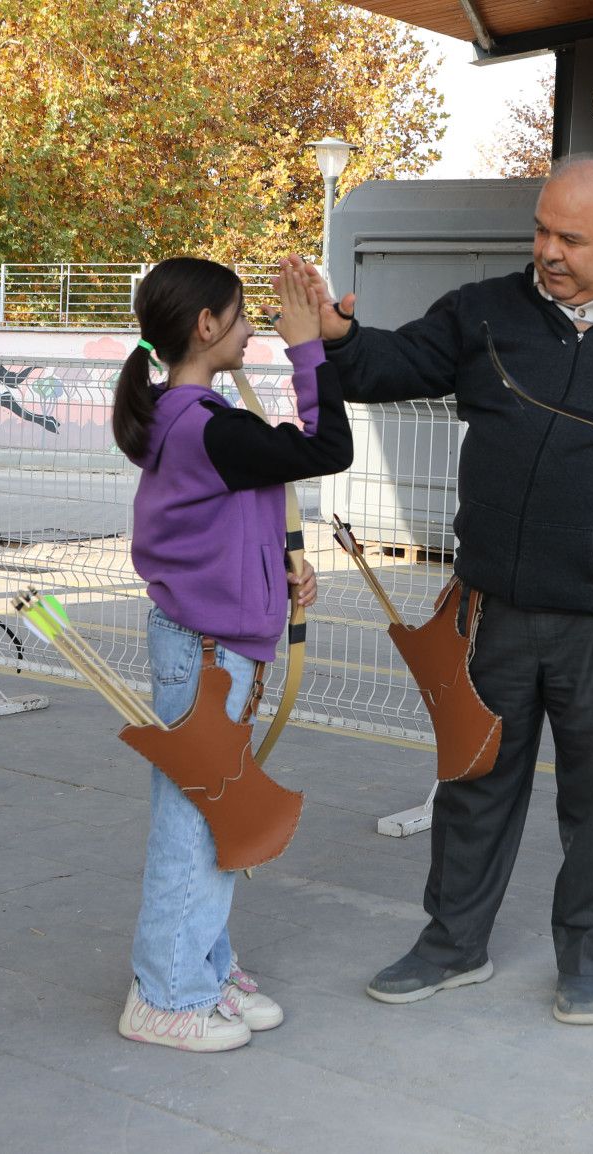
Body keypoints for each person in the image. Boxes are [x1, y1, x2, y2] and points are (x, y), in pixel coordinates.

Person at [296, 153, 593, 1026]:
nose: (547, 250)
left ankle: (590, 959)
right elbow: (388, 365)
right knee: (474, 780)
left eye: (571, 237)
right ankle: (452, 944)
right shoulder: (487, 312)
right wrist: (336, 337)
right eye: (541, 229)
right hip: (496, 606)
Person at [111, 256, 353, 1051]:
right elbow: (328, 448)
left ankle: (203, 971)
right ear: (206, 327)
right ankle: (165, 994)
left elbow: (224, 513)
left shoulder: (194, 421)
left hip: (219, 647)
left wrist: (279, 569)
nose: (255, 329)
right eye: (244, 317)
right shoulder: (207, 424)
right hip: (207, 655)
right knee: (195, 822)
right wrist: (309, 347)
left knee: (215, 816)